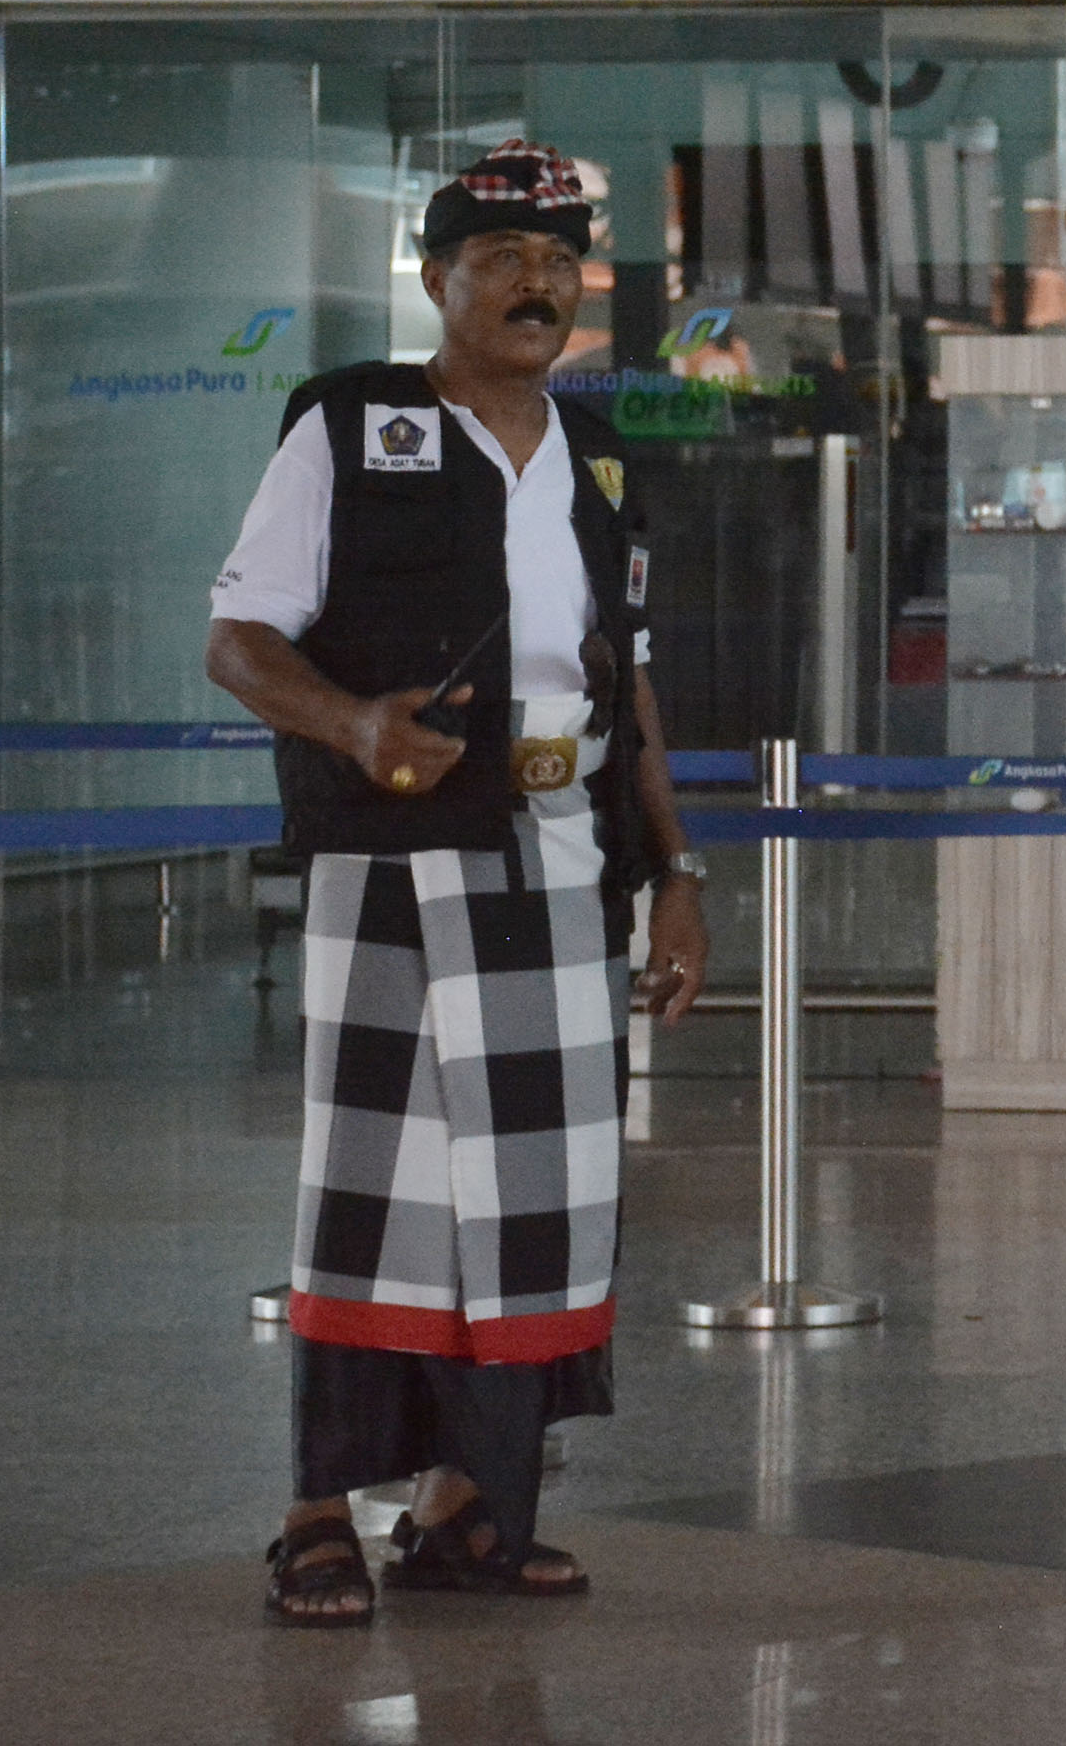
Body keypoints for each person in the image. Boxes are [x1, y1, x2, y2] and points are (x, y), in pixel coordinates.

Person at [207, 139, 710, 1628]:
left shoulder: (599, 453)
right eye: (501, 260)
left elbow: (631, 685)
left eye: (561, 263)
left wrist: (675, 868)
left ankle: (469, 1511)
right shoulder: (350, 430)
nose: (536, 284)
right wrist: (357, 725)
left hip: (564, 865)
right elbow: (240, 639)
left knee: (541, 1198)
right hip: (396, 863)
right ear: (439, 279)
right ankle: (315, 1513)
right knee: (380, 1192)